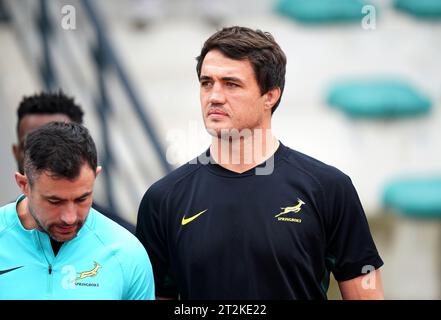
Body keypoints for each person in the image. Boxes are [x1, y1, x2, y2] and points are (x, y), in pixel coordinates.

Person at [136, 26, 384, 300]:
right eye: (207, 83)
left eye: (231, 84)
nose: (214, 96)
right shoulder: (162, 200)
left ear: (270, 95)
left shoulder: (329, 188)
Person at [0, 122, 154, 299]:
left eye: (82, 199)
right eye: (55, 201)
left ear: (95, 177)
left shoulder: (127, 253)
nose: (70, 218)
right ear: (24, 185)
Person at [11, 91, 136, 234]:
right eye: (31, 144)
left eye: (61, 142)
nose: (47, 153)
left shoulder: (123, 242)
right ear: (16, 152)